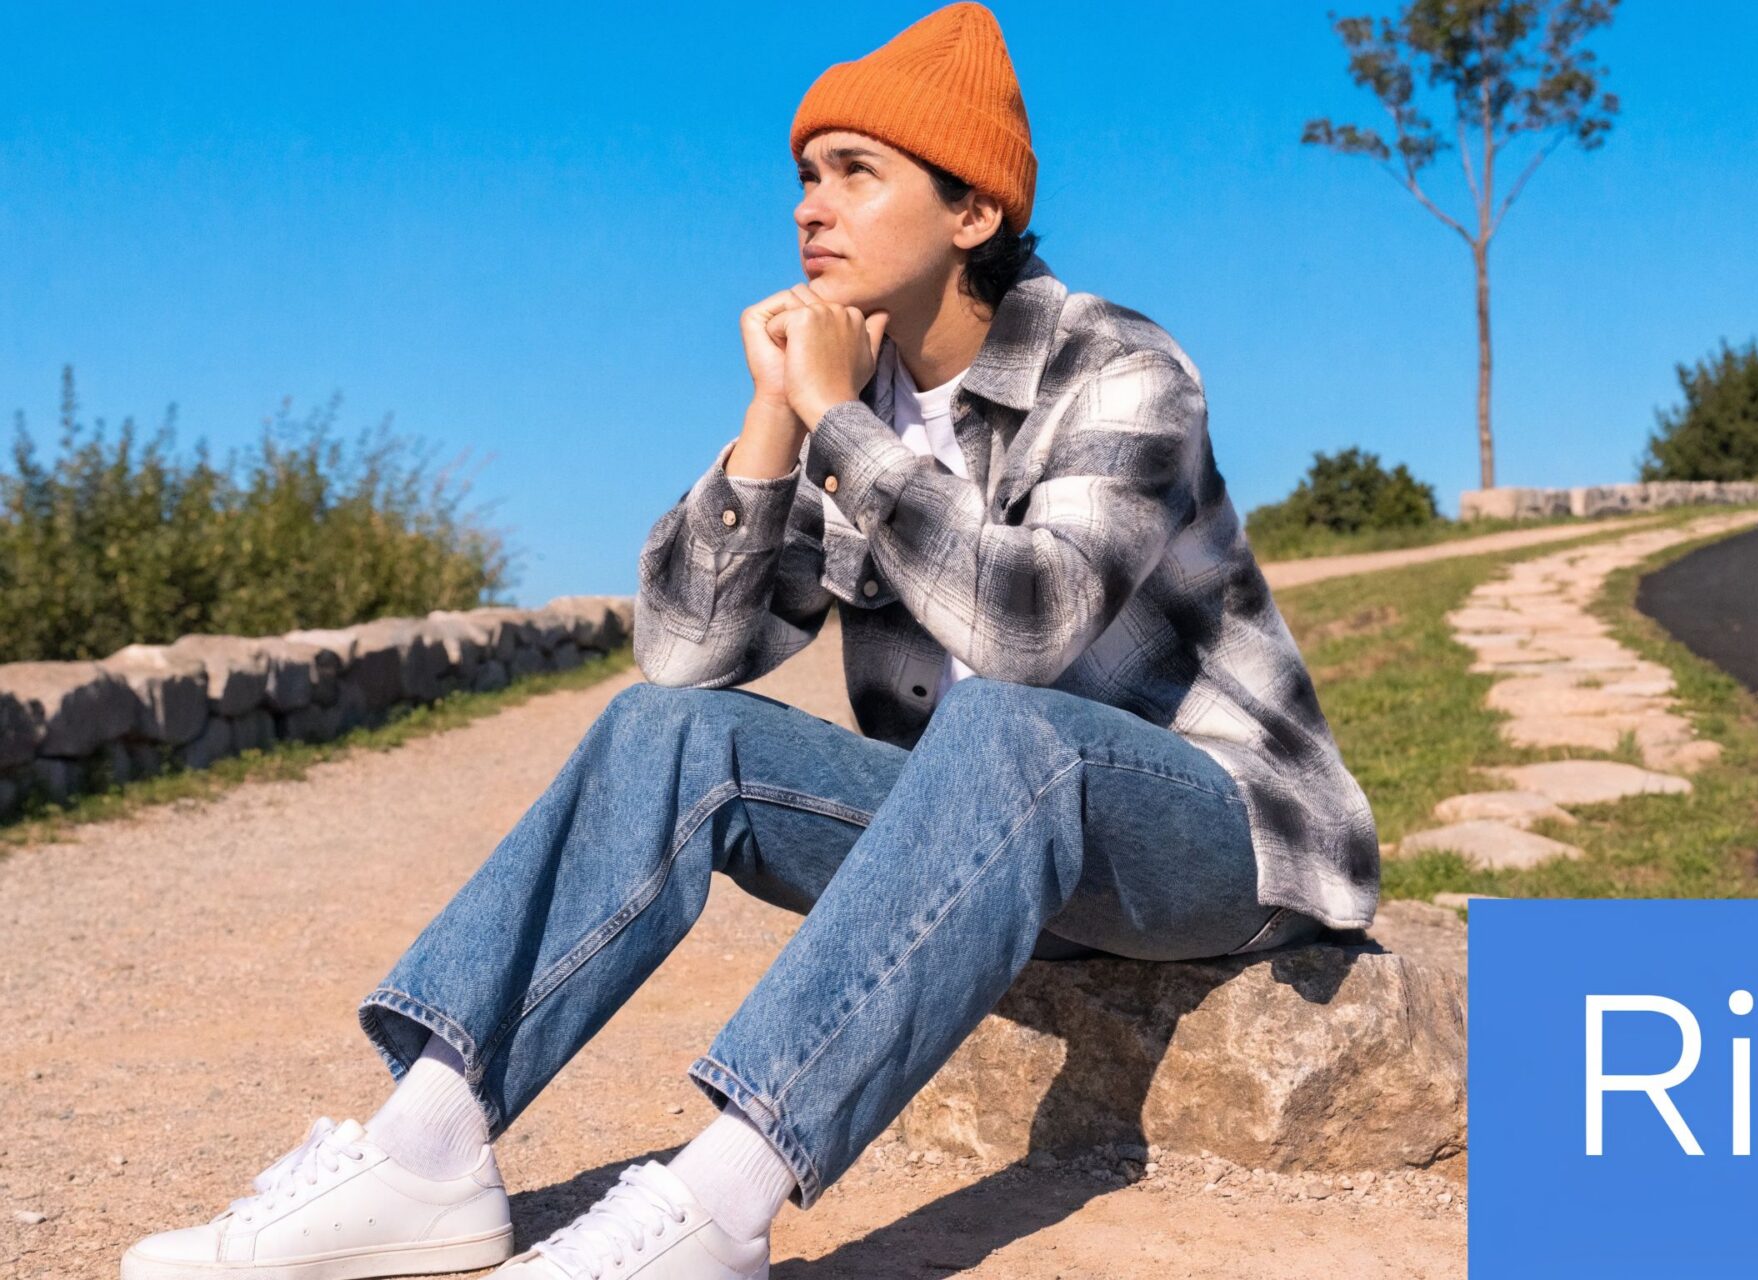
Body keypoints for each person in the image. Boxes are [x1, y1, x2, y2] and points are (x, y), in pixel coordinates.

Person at [117, 5, 1379, 1277]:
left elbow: (1028, 632)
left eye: (856, 173)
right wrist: (775, 424)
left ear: (973, 214)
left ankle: (719, 1203)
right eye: (804, 175)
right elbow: (678, 658)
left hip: (1216, 839)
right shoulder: (855, 408)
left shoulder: (1119, 367)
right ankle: (430, 1144)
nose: (809, 209)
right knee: (669, 732)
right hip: (985, 840)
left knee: (1008, 729)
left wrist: (839, 420)